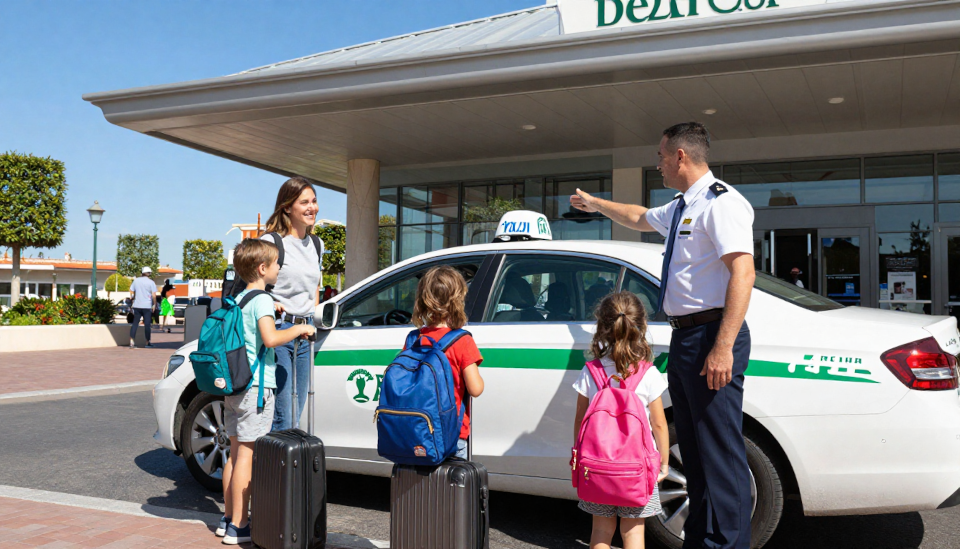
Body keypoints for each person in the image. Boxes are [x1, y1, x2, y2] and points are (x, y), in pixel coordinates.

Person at [571, 122, 755, 549]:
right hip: (687, 338)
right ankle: (702, 542)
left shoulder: (720, 204)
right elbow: (637, 217)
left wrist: (723, 346)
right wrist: (596, 204)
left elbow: (742, 272)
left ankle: (728, 545)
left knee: (720, 456)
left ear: (680, 157)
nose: (657, 164)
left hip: (713, 334)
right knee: (695, 454)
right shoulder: (681, 206)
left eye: (660, 156)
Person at [218, 239, 315, 545]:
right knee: (247, 453)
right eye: (276, 264)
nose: (279, 268)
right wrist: (300, 329)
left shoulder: (243, 298)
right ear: (262, 269)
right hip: (255, 389)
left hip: (235, 387)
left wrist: (271, 307)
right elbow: (271, 339)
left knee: (234, 454)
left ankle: (227, 519)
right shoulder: (261, 300)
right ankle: (240, 526)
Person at [573, 292, 670, 549]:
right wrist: (664, 464)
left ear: (602, 327)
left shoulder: (590, 371)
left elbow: (581, 421)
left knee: (601, 531)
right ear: (641, 326)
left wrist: (578, 455)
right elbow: (659, 424)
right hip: (638, 470)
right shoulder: (648, 373)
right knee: (634, 533)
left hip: (597, 467)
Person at [262, 177, 324, 432]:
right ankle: (273, 470)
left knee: (296, 414)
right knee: (283, 414)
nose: (312, 207)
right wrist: (271, 303)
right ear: (287, 207)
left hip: (305, 332)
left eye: (314, 201)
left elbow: (315, 289)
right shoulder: (272, 241)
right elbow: (253, 285)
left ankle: (281, 468)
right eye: (304, 202)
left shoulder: (317, 244)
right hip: (279, 330)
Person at [407, 265, 484, 458]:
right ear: (458, 301)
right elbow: (475, 389)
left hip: (416, 432)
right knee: (452, 486)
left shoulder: (413, 339)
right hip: (452, 436)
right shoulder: (462, 341)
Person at [128, 267, 157, 349]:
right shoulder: (151, 282)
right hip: (147, 306)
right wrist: (154, 304)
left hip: (137, 305)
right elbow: (154, 295)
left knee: (135, 323)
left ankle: (131, 342)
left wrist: (133, 299)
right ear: (149, 273)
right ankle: (147, 342)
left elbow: (131, 291)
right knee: (147, 324)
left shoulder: (136, 281)